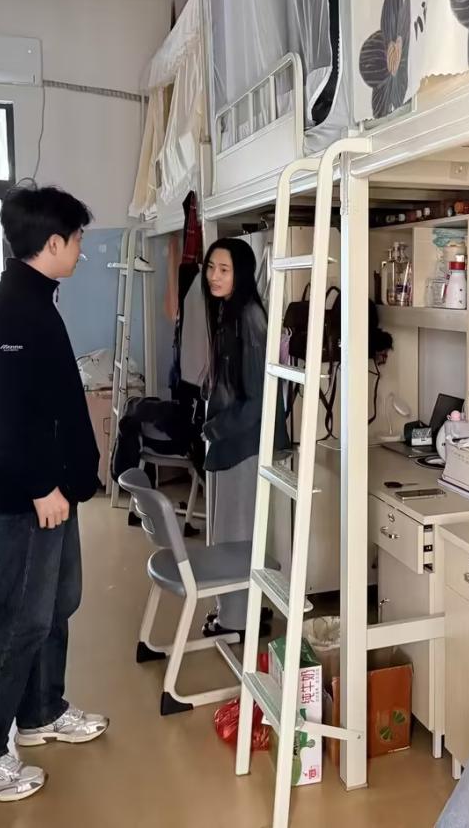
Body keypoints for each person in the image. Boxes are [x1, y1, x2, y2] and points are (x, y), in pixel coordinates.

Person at [0, 182, 107, 802]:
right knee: (16, 618)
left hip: (56, 491)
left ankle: (41, 711)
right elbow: (4, 415)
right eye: (78, 240)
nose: (81, 250)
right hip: (31, 497)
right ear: (53, 243)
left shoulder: (35, 300)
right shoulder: (10, 309)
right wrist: (42, 486)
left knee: (57, 602)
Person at [199, 238, 287, 638]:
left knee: (235, 534)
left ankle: (234, 621)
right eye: (210, 267)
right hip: (229, 438)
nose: (213, 277)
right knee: (234, 530)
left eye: (224, 269)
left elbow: (258, 400)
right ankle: (243, 609)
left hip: (242, 442)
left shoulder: (249, 318)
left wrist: (216, 428)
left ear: (242, 274)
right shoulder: (229, 312)